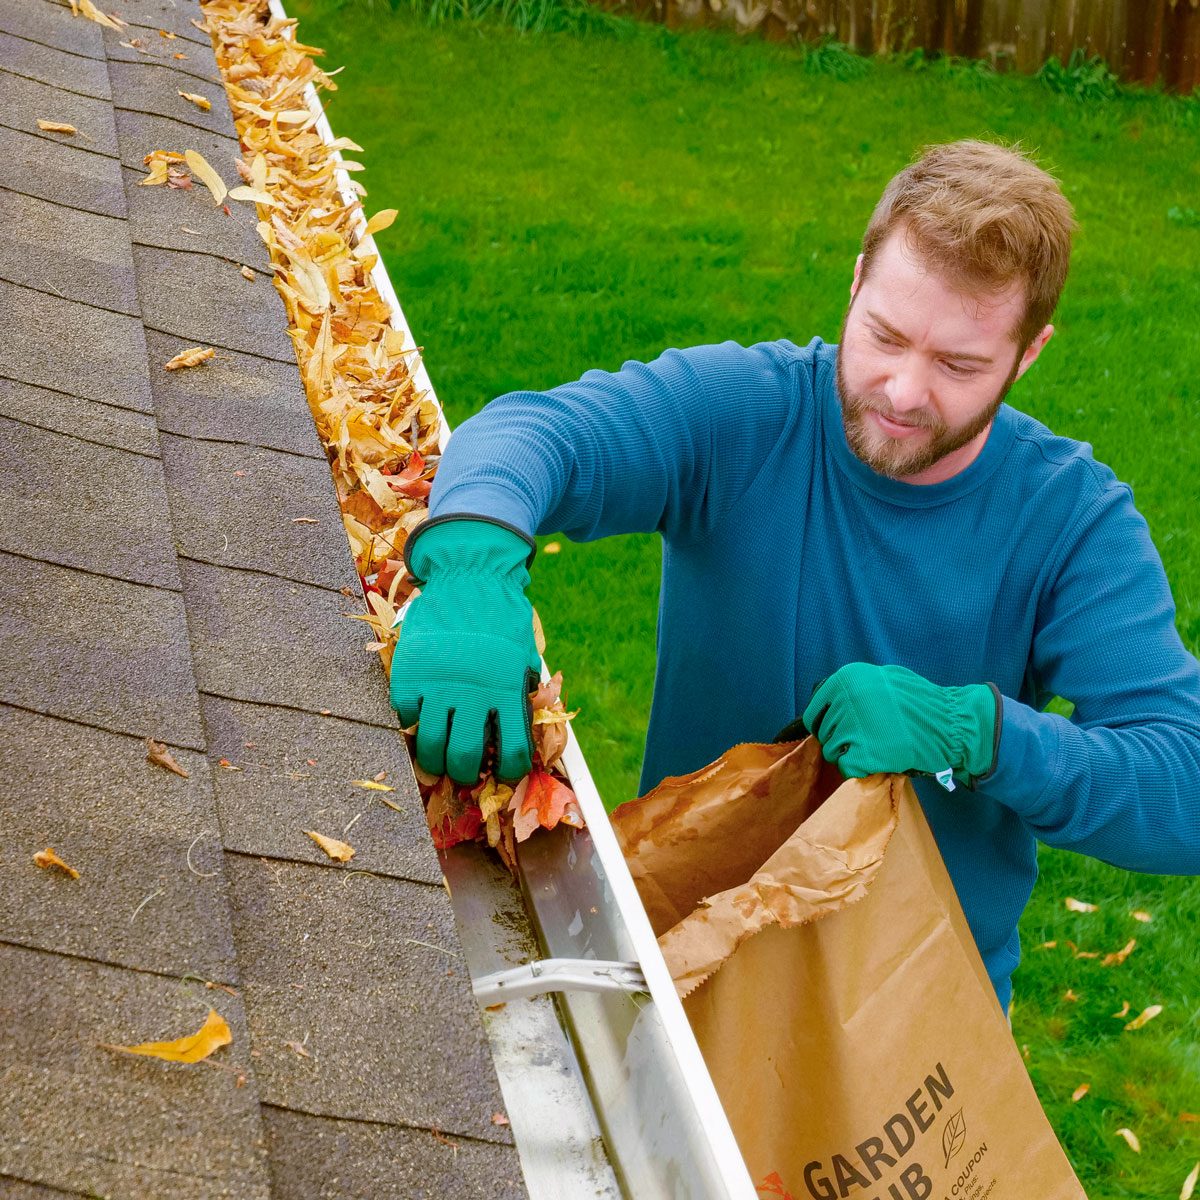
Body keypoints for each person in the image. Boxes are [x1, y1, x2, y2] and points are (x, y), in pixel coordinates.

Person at [389, 138, 1200, 1012]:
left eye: (959, 365)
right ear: (856, 283)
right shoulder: (751, 413)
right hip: (688, 951)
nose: (901, 389)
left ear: (1029, 353)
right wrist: (472, 565)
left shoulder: (1072, 522)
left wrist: (976, 732)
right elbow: (539, 435)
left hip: (912, 1022)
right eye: (885, 335)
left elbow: (1184, 785)